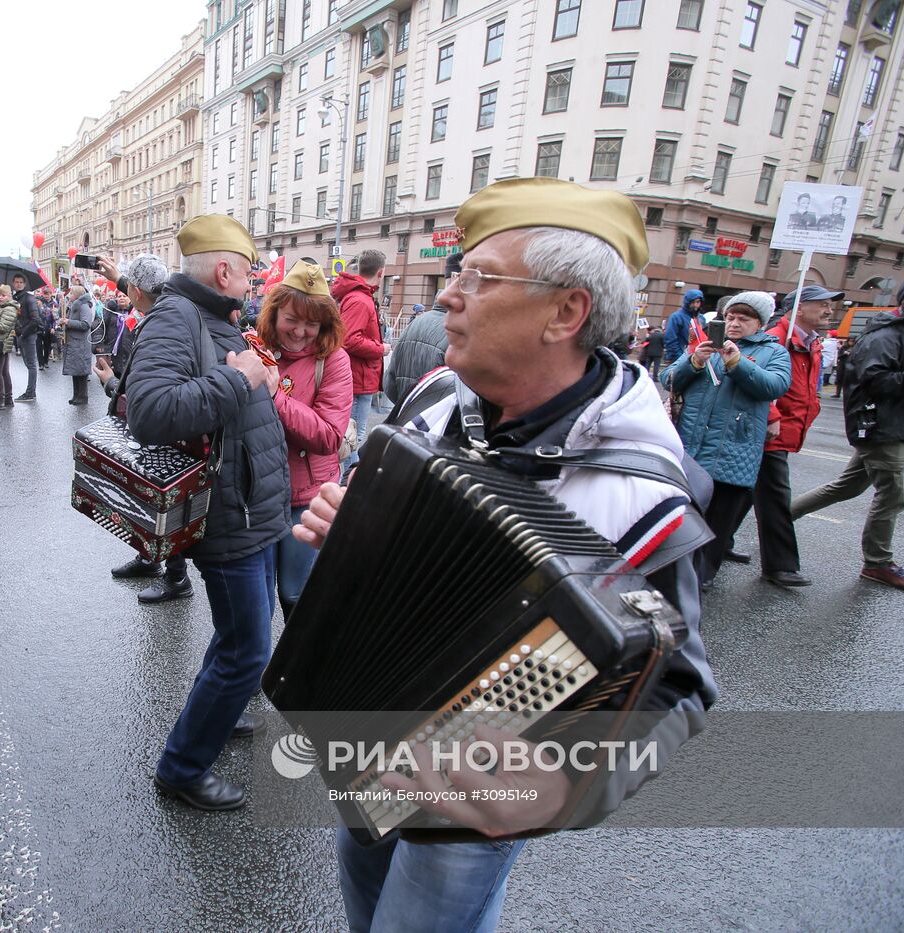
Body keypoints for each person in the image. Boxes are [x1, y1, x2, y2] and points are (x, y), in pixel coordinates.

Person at [293, 178, 715, 932]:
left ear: (565, 311)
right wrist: (347, 520)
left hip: (481, 770)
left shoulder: (642, 492)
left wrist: (565, 790)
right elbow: (377, 494)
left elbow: (680, 690)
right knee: (362, 891)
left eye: (478, 278)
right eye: (457, 275)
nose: (449, 296)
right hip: (373, 716)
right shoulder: (434, 396)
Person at [124, 215, 290, 810]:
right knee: (248, 649)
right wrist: (238, 379)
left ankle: (215, 718)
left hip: (256, 509)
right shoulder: (176, 317)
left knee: (239, 641)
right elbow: (149, 411)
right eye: (248, 273)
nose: (253, 285)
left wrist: (256, 382)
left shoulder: (215, 318)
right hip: (230, 518)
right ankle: (183, 766)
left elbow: (231, 401)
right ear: (225, 270)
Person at [791, 270, 904, 591]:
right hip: (882, 427)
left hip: (896, 425)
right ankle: (877, 563)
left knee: (846, 488)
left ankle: (778, 520)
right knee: (892, 497)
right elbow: (876, 383)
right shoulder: (886, 335)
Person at [661, 292, 791, 589]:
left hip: (735, 446)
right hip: (692, 444)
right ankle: (670, 568)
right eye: (730, 317)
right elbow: (669, 378)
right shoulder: (704, 343)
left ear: (760, 323)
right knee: (685, 511)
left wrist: (737, 362)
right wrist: (694, 361)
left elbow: (775, 386)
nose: (734, 323)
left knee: (719, 518)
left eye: (743, 319)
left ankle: (702, 575)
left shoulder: (774, 352)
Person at [254, 259, 351, 619]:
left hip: (306, 497)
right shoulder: (256, 348)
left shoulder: (334, 360)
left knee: (294, 592)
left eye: (312, 323)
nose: (299, 331)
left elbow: (328, 435)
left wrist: (276, 397)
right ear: (275, 312)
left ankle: (296, 670)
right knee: (258, 598)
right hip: (260, 495)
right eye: (292, 319)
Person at [93, 255, 194, 604]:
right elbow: (147, 293)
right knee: (149, 496)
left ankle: (177, 578)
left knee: (163, 499)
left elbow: (145, 396)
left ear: (136, 292)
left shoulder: (159, 326)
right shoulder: (172, 306)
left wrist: (110, 383)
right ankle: (150, 557)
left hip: (169, 429)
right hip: (175, 424)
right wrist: (118, 277)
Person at [729, 285, 840, 587]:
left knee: (744, 489)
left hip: (785, 428)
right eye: (823, 304)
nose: (829, 311)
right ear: (799, 308)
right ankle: (780, 565)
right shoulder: (777, 338)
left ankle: (719, 541)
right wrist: (773, 416)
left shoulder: (811, 341)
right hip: (768, 428)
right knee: (775, 495)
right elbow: (755, 379)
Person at [332, 249, 386, 476]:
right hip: (358, 379)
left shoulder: (359, 297)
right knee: (352, 437)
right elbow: (349, 339)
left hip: (360, 378)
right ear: (381, 273)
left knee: (352, 437)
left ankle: (348, 483)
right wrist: (381, 349)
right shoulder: (361, 299)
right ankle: (349, 485)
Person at [383, 253, 458, 404]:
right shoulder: (459, 331)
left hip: (406, 417)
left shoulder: (416, 323)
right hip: (439, 423)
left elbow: (389, 383)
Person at [62, 283, 96, 405]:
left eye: (71, 293)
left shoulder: (84, 306)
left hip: (80, 344)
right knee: (75, 371)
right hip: (75, 343)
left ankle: (83, 397)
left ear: (76, 295)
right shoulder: (74, 306)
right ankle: (76, 395)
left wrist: (69, 322)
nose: (69, 295)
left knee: (81, 372)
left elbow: (86, 324)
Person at [12, 274, 44, 402]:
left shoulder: (29, 298)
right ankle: (30, 391)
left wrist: (23, 333)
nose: (18, 284)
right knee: (28, 364)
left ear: (25, 284)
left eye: (21, 282)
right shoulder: (16, 298)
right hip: (22, 334)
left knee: (31, 364)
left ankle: (30, 392)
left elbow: (35, 319)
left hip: (28, 335)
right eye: (16, 282)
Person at [663, 288, 705, 365]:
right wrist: (679, 357)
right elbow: (670, 339)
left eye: (698, 302)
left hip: (696, 358)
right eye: (693, 302)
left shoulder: (701, 318)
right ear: (687, 302)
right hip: (678, 358)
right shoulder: (676, 317)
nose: (695, 305)